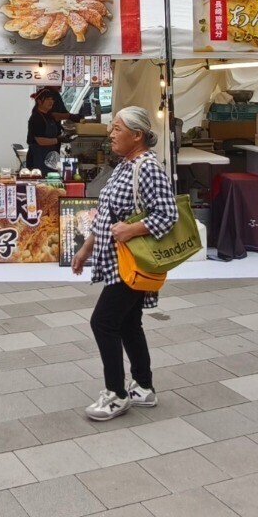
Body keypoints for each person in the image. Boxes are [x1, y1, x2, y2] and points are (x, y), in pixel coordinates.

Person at [71, 106, 175, 422]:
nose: (111, 133)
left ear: (138, 135)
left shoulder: (148, 168)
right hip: (119, 261)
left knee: (102, 321)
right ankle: (143, 387)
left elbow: (168, 214)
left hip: (132, 262)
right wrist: (87, 246)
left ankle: (116, 394)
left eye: (117, 128)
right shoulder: (123, 166)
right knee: (128, 322)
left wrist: (132, 229)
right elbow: (106, 214)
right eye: (112, 128)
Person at [25, 88, 67, 173]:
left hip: (50, 157)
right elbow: (40, 140)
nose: (51, 102)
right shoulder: (36, 118)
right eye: (48, 99)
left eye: (52, 99)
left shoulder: (49, 116)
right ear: (39, 102)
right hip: (38, 158)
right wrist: (58, 140)